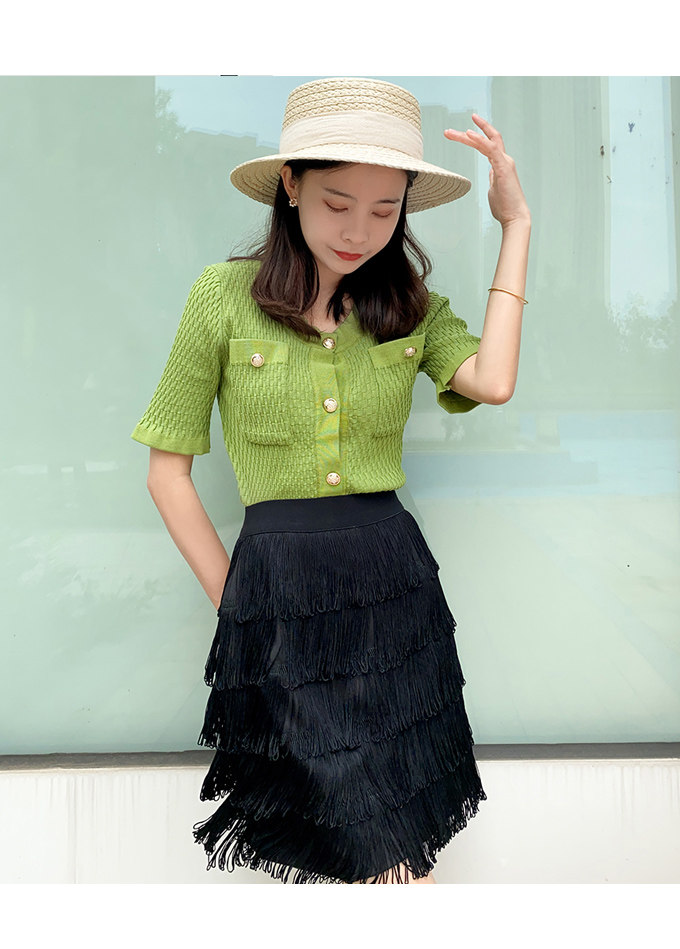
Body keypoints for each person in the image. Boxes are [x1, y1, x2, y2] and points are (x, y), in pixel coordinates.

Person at [131, 77, 531, 884]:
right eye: (338, 202)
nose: (359, 231)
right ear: (291, 184)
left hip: (391, 591)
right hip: (280, 595)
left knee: (393, 842)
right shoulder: (221, 298)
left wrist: (515, 224)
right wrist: (240, 605)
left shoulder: (411, 306)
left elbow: (492, 380)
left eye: (385, 210)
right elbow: (167, 471)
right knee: (358, 838)